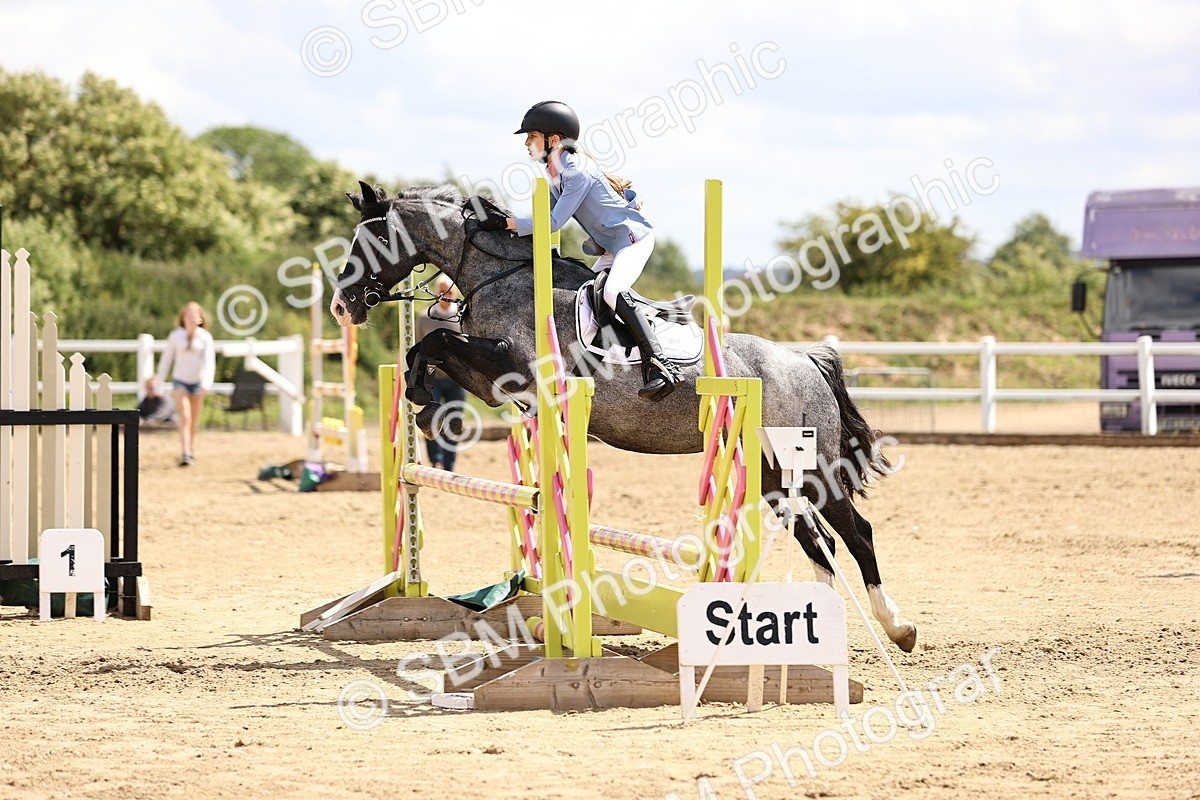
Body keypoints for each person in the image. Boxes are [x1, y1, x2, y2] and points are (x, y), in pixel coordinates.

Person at [477, 100, 681, 401]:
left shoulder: (576, 172)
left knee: (612, 292)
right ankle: (585, 372)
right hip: (611, 248)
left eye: (531, 136)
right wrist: (504, 224)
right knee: (586, 299)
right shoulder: (555, 173)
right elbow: (543, 219)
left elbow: (553, 223)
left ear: (553, 139)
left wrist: (506, 223)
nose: (526, 143)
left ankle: (661, 365)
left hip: (633, 241)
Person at [150, 302, 215, 466]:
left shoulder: (205, 337)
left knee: (194, 419)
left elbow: (209, 362)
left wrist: (206, 383)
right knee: (185, 416)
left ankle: (191, 449)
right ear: (183, 318)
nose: (191, 318)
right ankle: (185, 452)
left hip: (197, 382)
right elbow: (166, 360)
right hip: (180, 381)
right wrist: (159, 383)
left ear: (200, 319)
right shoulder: (175, 336)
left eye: (194, 315)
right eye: (188, 315)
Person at [416, 275, 467, 471]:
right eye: (442, 291)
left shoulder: (463, 317)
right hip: (432, 378)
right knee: (431, 420)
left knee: (454, 422)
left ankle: (449, 464)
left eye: (449, 291)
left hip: (457, 379)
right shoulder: (424, 318)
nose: (446, 295)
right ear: (436, 293)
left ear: (455, 294)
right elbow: (418, 347)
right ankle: (435, 461)